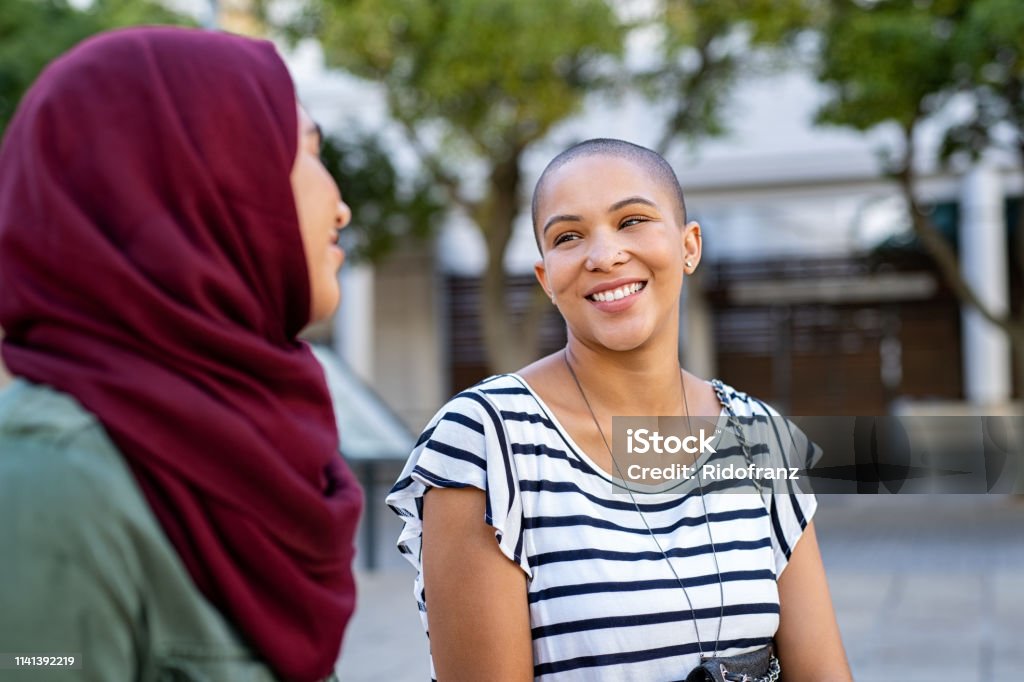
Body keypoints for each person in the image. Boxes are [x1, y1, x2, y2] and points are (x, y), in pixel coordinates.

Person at [387, 139, 853, 681]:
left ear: (690, 246)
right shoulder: (485, 442)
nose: (603, 255)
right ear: (546, 278)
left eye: (632, 220)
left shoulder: (760, 438)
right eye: (568, 236)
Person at [0, 27, 363, 682]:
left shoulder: (274, 443)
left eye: (622, 223)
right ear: (204, 177)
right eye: (304, 151)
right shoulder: (46, 482)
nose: (340, 207)